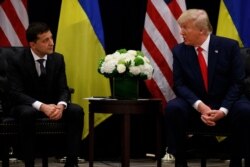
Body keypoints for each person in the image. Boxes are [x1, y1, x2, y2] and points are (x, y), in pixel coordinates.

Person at [164, 9, 250, 167]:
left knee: (245, 110)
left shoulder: (229, 47)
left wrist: (223, 110)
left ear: (201, 30)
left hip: (227, 102)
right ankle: (180, 161)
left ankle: (237, 160)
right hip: (195, 104)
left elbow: (237, 82)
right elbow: (180, 84)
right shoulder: (179, 51)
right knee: (173, 108)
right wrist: (200, 106)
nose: (181, 32)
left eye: (185, 28)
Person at [6, 22, 84, 167]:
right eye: (45, 40)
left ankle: (71, 163)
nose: (51, 43)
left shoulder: (58, 59)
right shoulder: (17, 60)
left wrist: (61, 106)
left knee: (76, 111)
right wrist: (42, 107)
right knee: (27, 113)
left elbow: (63, 89)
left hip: (53, 105)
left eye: (51, 38)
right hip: (25, 105)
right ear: (33, 44)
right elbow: (16, 93)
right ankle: (29, 163)